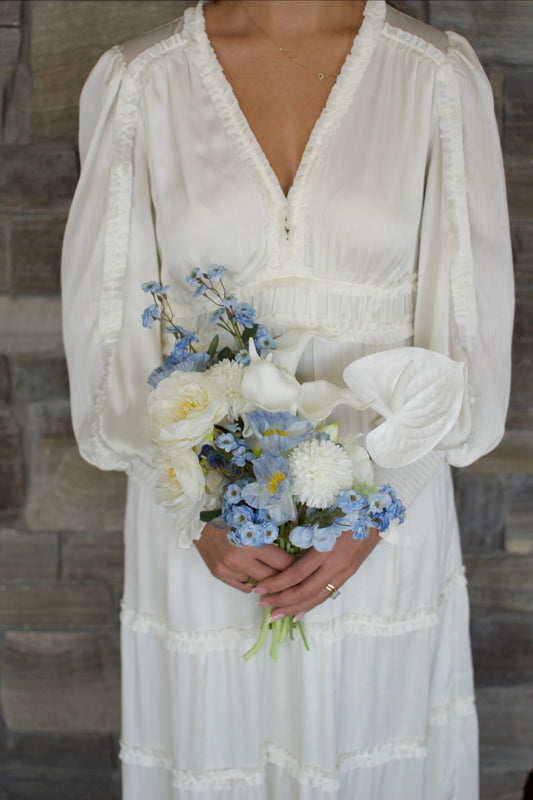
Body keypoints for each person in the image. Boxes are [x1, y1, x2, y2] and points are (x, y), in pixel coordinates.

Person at [61, 0, 514, 797]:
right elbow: (111, 335)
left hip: (384, 520)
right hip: (207, 534)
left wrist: (375, 513)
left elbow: (464, 329)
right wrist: (192, 513)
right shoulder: (141, 81)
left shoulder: (434, 75)